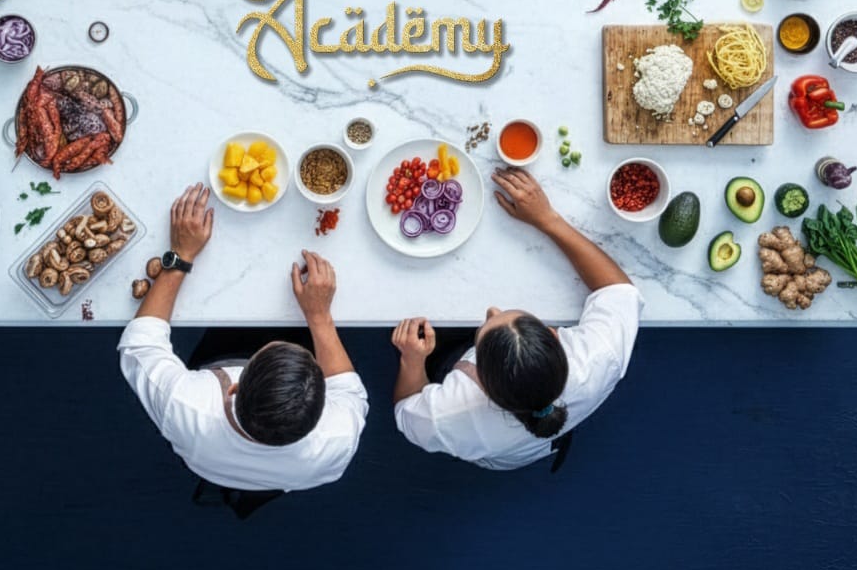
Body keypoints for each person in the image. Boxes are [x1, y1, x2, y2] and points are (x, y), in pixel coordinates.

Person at [118, 184, 368, 492]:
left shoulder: (185, 404)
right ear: (321, 408)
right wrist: (319, 317)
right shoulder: (338, 439)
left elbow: (138, 345)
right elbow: (349, 391)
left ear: (234, 386)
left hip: (208, 443)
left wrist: (181, 255)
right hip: (283, 475)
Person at [391, 168, 641, 470]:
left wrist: (412, 360)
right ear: (553, 335)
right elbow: (620, 290)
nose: (492, 311)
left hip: (495, 453)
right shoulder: (598, 359)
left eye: (484, 330)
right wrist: (547, 218)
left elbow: (406, 411)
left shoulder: (447, 415)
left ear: (481, 380)